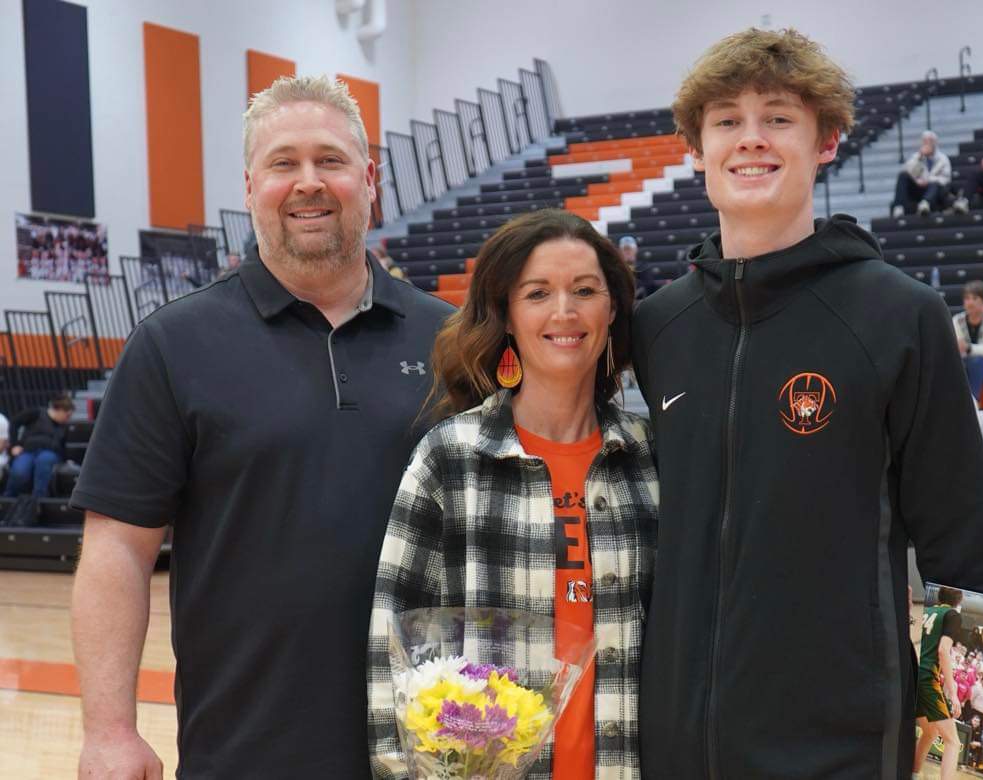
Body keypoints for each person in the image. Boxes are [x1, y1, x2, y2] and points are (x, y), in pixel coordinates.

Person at [631, 28, 983, 778]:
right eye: (726, 121)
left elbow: (967, 549)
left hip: (838, 747)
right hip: (672, 747)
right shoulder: (657, 328)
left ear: (828, 142)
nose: (751, 140)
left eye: (778, 117)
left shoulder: (898, 317)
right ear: (695, 148)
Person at [69, 75, 452, 778]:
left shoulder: (452, 342)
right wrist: (109, 731)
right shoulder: (172, 345)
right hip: (243, 752)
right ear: (251, 188)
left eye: (331, 160)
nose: (309, 182)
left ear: (370, 179)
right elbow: (117, 550)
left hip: (429, 750)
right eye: (284, 163)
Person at [368, 209, 655, 778]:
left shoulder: (651, 459)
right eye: (537, 293)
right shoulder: (450, 459)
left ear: (613, 309)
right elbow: (389, 644)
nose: (564, 312)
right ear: (505, 315)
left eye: (585, 290)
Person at [912, 586, 964, 780]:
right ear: (959, 599)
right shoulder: (952, 615)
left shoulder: (927, 611)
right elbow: (943, 651)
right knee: (952, 742)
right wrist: (952, 693)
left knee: (930, 731)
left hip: (913, 672)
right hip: (926, 677)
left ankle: (913, 775)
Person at [2, 393, 73, 498]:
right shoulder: (36, 413)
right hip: (28, 451)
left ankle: (38, 500)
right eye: (67, 415)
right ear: (60, 410)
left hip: (50, 453)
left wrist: (66, 459)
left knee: (44, 461)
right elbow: (15, 422)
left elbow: (63, 445)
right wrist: (14, 445)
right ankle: (8, 499)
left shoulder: (64, 427)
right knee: (20, 472)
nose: (68, 419)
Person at [892, 130, 952, 217]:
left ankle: (925, 204)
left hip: (934, 190)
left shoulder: (943, 159)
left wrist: (928, 181)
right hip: (918, 188)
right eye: (925, 141)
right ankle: (899, 207)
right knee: (902, 176)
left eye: (929, 141)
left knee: (934, 184)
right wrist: (919, 158)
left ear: (934, 143)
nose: (927, 144)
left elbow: (946, 179)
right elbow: (909, 172)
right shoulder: (917, 157)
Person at [618, 234, 652, 300]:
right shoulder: (616, 269)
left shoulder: (644, 267)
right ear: (620, 251)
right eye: (625, 249)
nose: (628, 252)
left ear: (636, 249)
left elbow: (649, 286)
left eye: (630, 249)